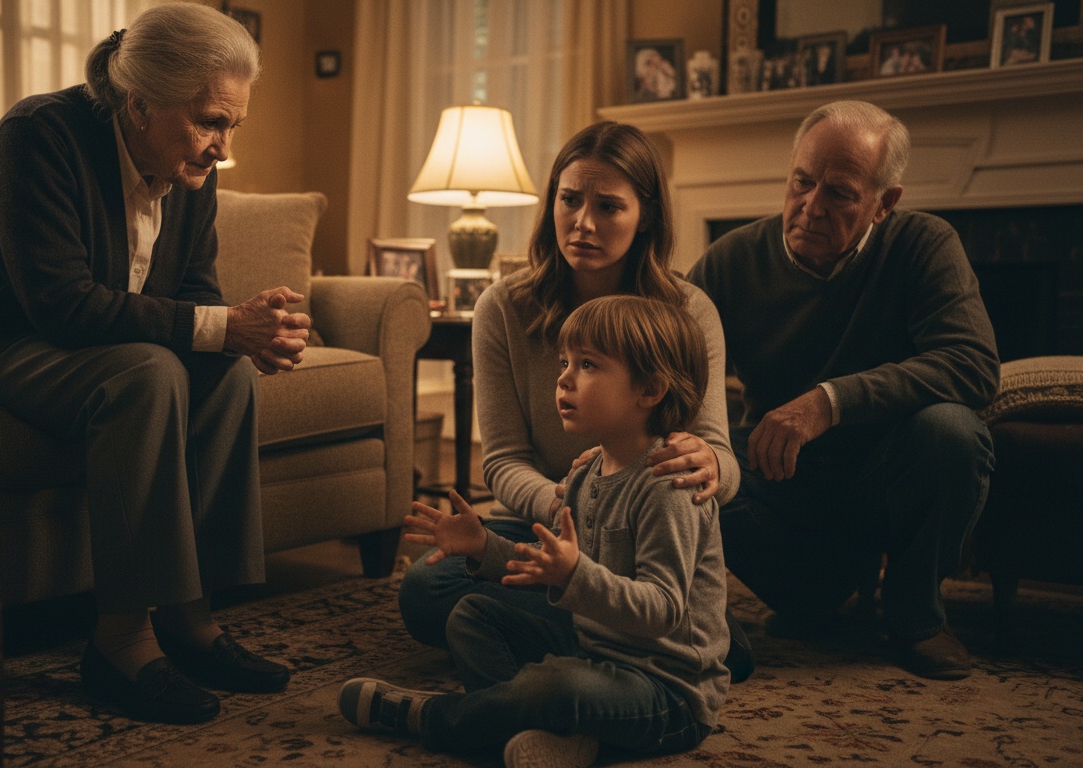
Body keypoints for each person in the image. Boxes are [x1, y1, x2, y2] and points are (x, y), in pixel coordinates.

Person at [0, 4, 303, 723]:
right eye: (209, 121)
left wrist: (243, 333)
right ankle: (120, 644)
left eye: (231, 125)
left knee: (226, 372)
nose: (221, 147)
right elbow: (61, 304)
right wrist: (222, 324)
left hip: (71, 342)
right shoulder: (37, 136)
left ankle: (191, 622)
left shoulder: (190, 168)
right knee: (148, 373)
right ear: (139, 103)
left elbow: (194, 294)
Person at [397, 120, 754, 682]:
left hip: (642, 534)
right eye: (569, 200)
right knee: (424, 589)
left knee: (487, 606)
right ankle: (637, 633)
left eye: (609, 206)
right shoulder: (503, 307)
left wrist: (711, 465)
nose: (583, 223)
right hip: (549, 520)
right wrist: (574, 514)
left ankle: (635, 625)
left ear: (646, 219)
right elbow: (504, 460)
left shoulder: (689, 310)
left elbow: (720, 461)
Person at [340, 295, 729, 767]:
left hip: (666, 691)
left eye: (587, 365)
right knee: (471, 615)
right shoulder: (586, 474)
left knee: (557, 684)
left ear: (649, 390)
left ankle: (436, 717)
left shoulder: (669, 484)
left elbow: (663, 610)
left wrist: (573, 575)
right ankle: (546, 736)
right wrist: (486, 547)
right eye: (565, 362)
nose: (563, 378)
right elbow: (551, 566)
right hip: (594, 651)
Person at [687, 100, 998, 680]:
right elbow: (662, 350)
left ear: (885, 203)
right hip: (783, 485)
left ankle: (916, 616)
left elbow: (975, 364)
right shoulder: (733, 260)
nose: (810, 207)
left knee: (953, 431)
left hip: (887, 477)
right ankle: (815, 596)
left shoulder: (924, 245)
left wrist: (829, 402)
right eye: (801, 183)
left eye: (839, 193)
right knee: (684, 468)